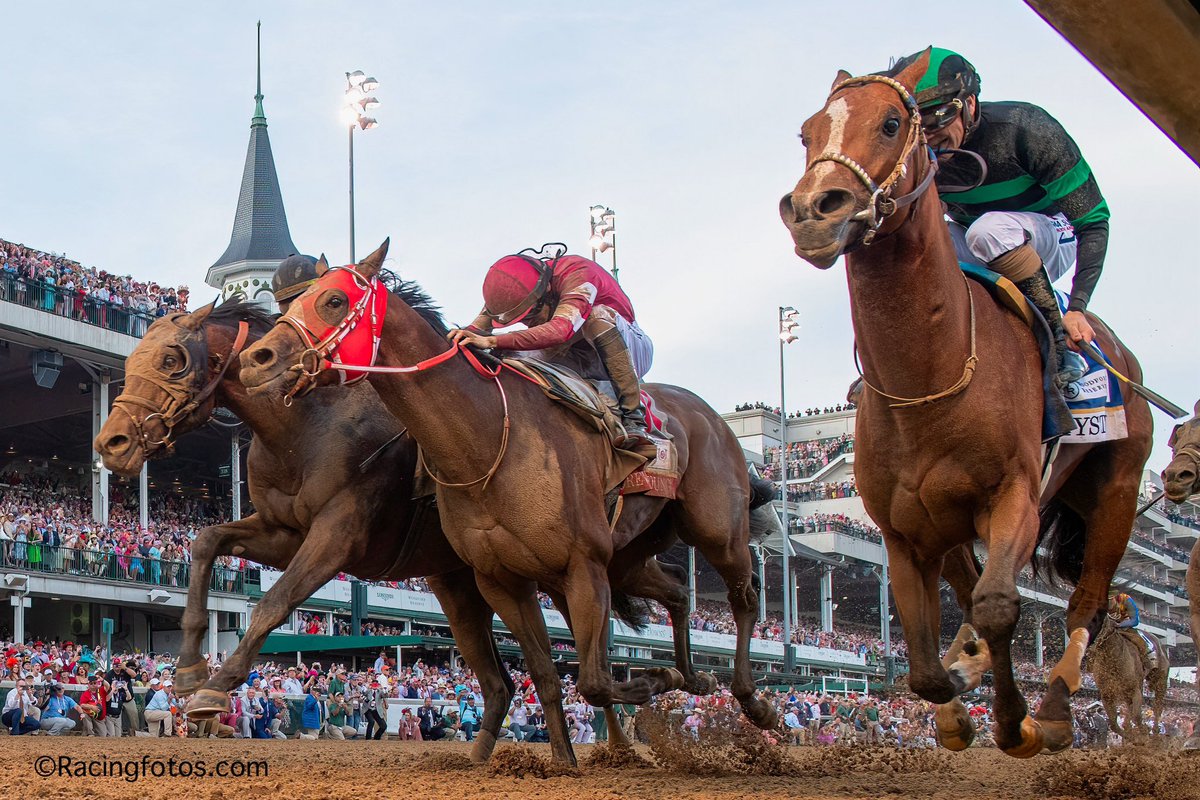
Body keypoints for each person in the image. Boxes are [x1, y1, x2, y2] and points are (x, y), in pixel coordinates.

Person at [889, 48, 1105, 413]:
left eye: (940, 121)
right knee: (914, 240)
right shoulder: (916, 153)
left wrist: (1078, 306)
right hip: (982, 238)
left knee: (988, 230)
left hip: (1052, 232)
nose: (930, 139)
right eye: (919, 129)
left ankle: (1057, 345)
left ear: (970, 103)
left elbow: (1094, 221)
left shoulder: (1027, 127)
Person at [447, 246, 659, 459]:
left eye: (531, 315)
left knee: (596, 318)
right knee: (508, 355)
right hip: (576, 354)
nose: (528, 323)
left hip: (630, 348)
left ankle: (634, 417)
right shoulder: (513, 290)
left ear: (547, 289)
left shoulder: (579, 272)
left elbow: (561, 329)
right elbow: (475, 331)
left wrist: (493, 339)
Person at [1109, 591, 1156, 674]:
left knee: (1139, 639)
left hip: (1124, 627)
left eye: (1110, 599)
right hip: (1107, 628)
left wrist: (1119, 625)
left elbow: (1135, 621)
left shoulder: (1126, 600)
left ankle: (1148, 658)